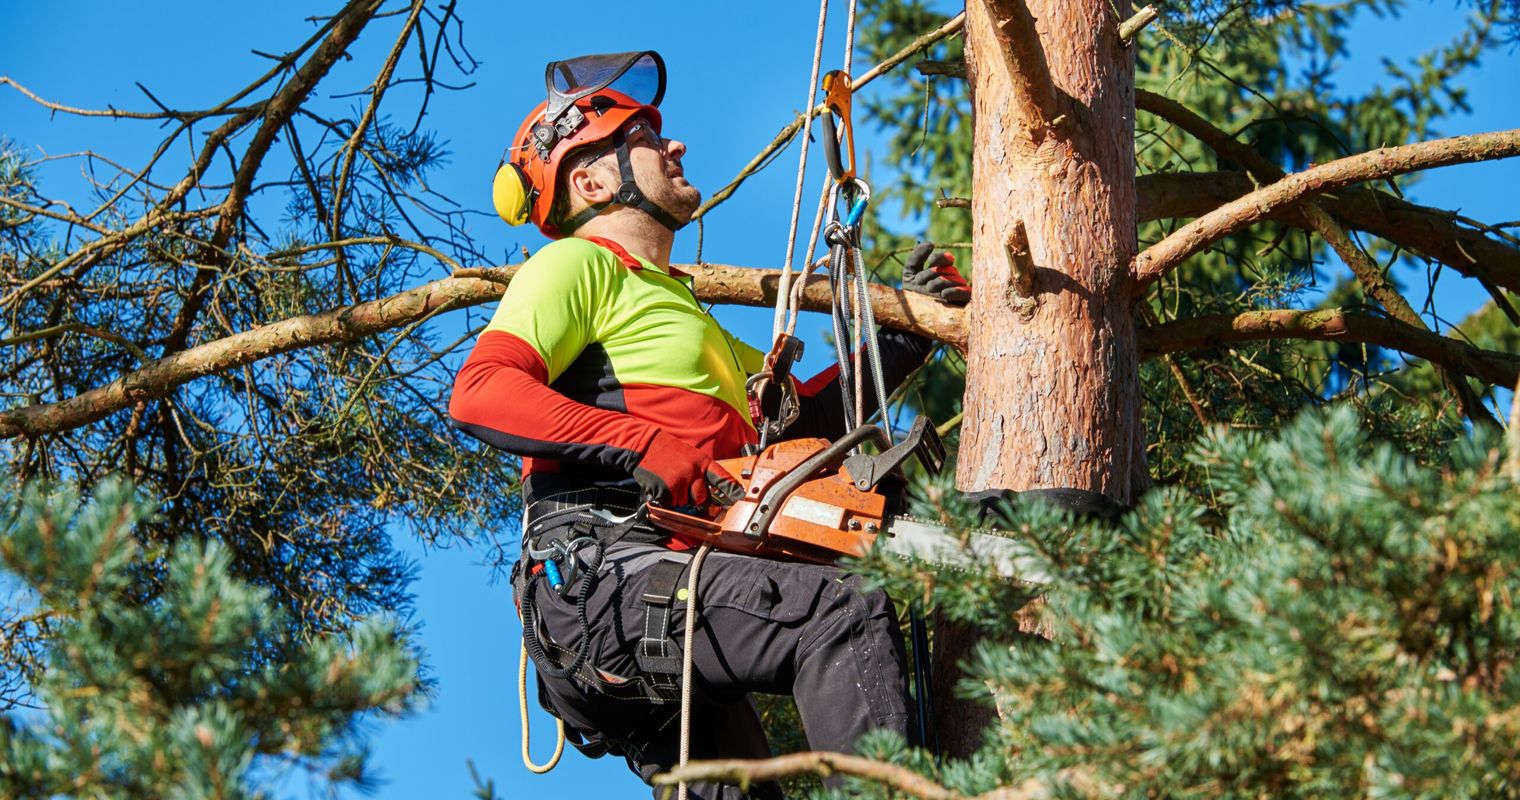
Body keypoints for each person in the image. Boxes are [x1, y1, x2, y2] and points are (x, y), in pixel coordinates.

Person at [449, 51, 970, 800]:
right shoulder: (577, 267)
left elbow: (802, 424)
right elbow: (482, 390)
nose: (676, 145)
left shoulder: (689, 318)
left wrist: (899, 340)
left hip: (659, 600)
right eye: (645, 137)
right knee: (840, 610)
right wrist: (641, 443)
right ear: (592, 181)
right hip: (603, 577)